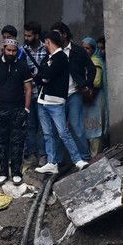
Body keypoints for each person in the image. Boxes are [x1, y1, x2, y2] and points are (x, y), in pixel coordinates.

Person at [34, 30, 90, 174]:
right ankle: (52, 162)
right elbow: (40, 77)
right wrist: (42, 76)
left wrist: (42, 76)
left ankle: (78, 160)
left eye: (45, 42)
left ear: (48, 42)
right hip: (43, 100)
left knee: (63, 132)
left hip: (56, 101)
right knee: (48, 133)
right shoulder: (50, 57)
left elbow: (45, 76)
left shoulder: (60, 57)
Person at [0, 36, 32, 184]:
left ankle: (17, 172)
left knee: (18, 143)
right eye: (9, 50)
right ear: (3, 49)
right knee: (1, 142)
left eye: (14, 51)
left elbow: (28, 88)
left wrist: (26, 109)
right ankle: (3, 172)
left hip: (18, 110)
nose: (11, 53)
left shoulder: (23, 66)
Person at [52, 21, 95, 159]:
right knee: (58, 128)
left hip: (74, 93)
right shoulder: (53, 52)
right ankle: (58, 160)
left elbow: (91, 68)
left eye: (57, 34)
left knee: (76, 127)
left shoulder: (77, 51)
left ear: (64, 34)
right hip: (58, 95)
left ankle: (84, 156)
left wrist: (87, 84)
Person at [23, 22, 48, 164]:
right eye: (25, 35)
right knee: (30, 125)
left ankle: (42, 154)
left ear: (37, 35)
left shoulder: (46, 49)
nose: (26, 38)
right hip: (28, 94)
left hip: (42, 94)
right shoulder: (23, 50)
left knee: (43, 126)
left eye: (29, 35)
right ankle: (31, 154)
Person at [80, 36, 108, 155]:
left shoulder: (95, 61)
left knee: (95, 127)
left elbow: (96, 82)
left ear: (93, 49)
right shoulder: (86, 60)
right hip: (87, 98)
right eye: (83, 48)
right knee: (87, 126)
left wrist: (84, 85)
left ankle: (95, 156)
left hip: (95, 98)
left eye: (88, 48)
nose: (85, 51)